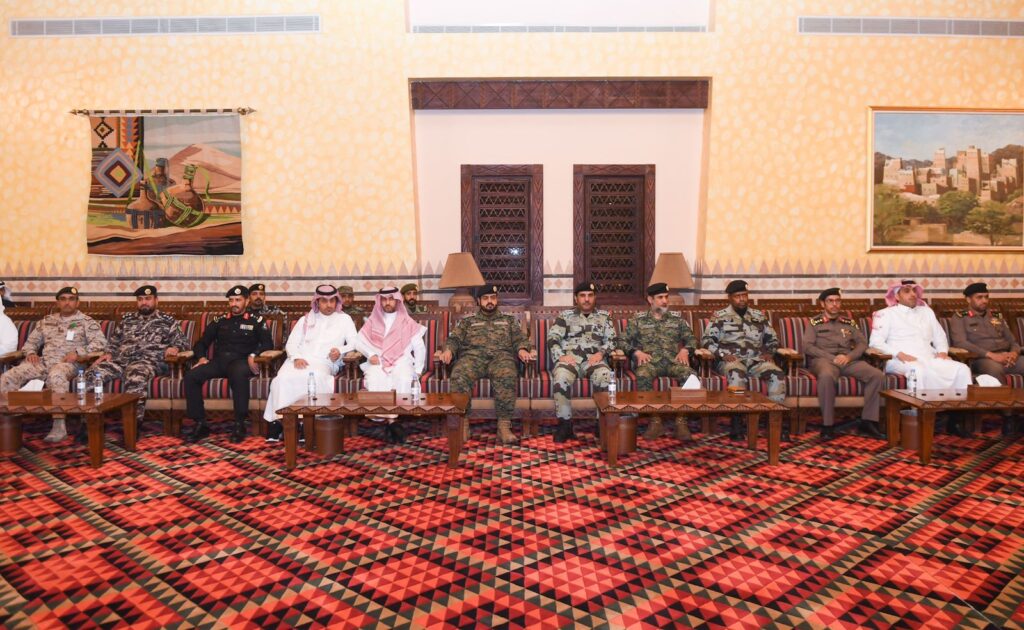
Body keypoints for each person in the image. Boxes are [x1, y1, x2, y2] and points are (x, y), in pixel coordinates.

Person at [0, 287, 106, 442]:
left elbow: (100, 344)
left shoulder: (87, 322)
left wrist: (78, 352)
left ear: (77, 302)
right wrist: (31, 353)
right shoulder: (46, 321)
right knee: (9, 375)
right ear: (57, 302)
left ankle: (59, 425)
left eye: (71, 299)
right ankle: (7, 419)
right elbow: (30, 343)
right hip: (43, 362)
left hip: (70, 364)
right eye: (63, 299)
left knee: (56, 375)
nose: (67, 302)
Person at [869, 279, 973, 436]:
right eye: (907, 291)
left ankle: (955, 420)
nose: (912, 294)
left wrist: (943, 351)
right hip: (899, 359)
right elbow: (875, 342)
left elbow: (939, 336)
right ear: (896, 296)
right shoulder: (886, 314)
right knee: (917, 371)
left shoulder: (926, 312)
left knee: (962, 369)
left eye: (914, 291)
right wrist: (899, 353)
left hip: (929, 357)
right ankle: (919, 420)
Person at [436, 285, 535, 444]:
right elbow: (454, 339)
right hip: (473, 358)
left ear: (497, 299)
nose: (490, 301)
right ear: (478, 301)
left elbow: (519, 339)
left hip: (501, 358)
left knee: (507, 374)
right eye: (486, 298)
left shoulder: (508, 321)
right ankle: (463, 424)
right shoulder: (468, 322)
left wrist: (522, 349)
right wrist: (448, 350)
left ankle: (504, 427)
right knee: (459, 375)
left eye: (493, 298)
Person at [85, 285, 191, 434]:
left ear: (156, 300)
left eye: (148, 299)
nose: (144, 302)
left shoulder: (168, 321)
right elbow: (114, 342)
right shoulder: (127, 320)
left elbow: (183, 343)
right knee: (92, 373)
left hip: (148, 362)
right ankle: (89, 424)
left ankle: (133, 426)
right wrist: (108, 353)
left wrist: (175, 348)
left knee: (135, 375)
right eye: (140, 299)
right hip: (121, 361)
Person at [264, 285, 357, 442]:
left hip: (324, 361)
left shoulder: (344, 319)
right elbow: (291, 343)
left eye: (332, 301)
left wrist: (340, 350)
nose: (329, 305)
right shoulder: (305, 319)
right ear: (317, 302)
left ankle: (305, 424)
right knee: (281, 380)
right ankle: (279, 422)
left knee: (313, 379)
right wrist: (296, 357)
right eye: (324, 301)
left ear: (337, 302)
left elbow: (354, 343)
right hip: (299, 359)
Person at [183, 285, 273, 444]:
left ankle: (239, 424)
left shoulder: (256, 321)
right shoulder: (220, 321)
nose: (234, 304)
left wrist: (254, 354)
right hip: (220, 362)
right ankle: (200, 423)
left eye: (238, 300)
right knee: (191, 376)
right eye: (231, 300)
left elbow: (268, 344)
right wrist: (201, 358)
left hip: (242, 362)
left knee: (237, 373)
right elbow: (201, 343)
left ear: (246, 301)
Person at [702, 279, 786, 440]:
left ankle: (774, 424)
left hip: (756, 360)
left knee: (777, 374)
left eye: (744, 295)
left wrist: (770, 352)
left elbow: (773, 339)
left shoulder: (758, 316)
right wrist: (722, 354)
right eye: (737, 296)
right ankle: (737, 423)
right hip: (731, 360)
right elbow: (707, 341)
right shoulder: (720, 316)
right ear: (730, 298)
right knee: (737, 374)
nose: (742, 299)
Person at [617, 282, 698, 441]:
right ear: (650, 300)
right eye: (660, 297)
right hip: (650, 362)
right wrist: (636, 352)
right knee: (643, 374)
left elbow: (692, 339)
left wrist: (685, 350)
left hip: (673, 361)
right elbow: (621, 341)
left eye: (666, 297)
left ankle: (681, 421)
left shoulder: (677, 320)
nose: (665, 301)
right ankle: (655, 421)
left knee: (691, 376)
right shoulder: (638, 320)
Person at [801, 288, 884, 440]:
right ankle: (827, 425)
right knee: (826, 376)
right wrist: (831, 357)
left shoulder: (849, 322)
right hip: (824, 360)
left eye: (837, 301)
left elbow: (862, 343)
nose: (834, 304)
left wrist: (849, 356)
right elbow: (807, 347)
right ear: (822, 304)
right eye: (830, 301)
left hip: (847, 360)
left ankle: (869, 421)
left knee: (876, 375)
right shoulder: (814, 323)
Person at [949, 281, 1023, 435]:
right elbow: (960, 342)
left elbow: (1013, 341)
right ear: (968, 299)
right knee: (994, 369)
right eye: (979, 297)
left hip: (1007, 357)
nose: (984, 300)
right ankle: (1009, 417)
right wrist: (991, 355)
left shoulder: (996, 316)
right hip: (981, 359)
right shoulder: (960, 317)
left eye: (986, 297)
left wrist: (1014, 353)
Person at [354, 286, 427, 443]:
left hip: (402, 360)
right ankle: (392, 422)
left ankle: (392, 420)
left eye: (391, 299)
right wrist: (370, 354)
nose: (387, 302)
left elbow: (419, 348)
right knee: (375, 378)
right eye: (384, 299)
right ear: (380, 301)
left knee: (403, 378)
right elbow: (358, 342)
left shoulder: (407, 322)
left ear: (397, 300)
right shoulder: (373, 321)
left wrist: (418, 370)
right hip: (379, 361)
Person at [547, 281, 616, 443]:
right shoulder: (565, 316)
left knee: (606, 376)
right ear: (575, 298)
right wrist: (561, 356)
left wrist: (601, 353)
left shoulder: (604, 317)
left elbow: (612, 340)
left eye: (590, 295)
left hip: (594, 360)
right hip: (570, 359)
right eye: (582, 296)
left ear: (595, 297)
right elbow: (553, 338)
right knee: (561, 378)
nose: (586, 299)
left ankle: (601, 424)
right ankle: (565, 425)